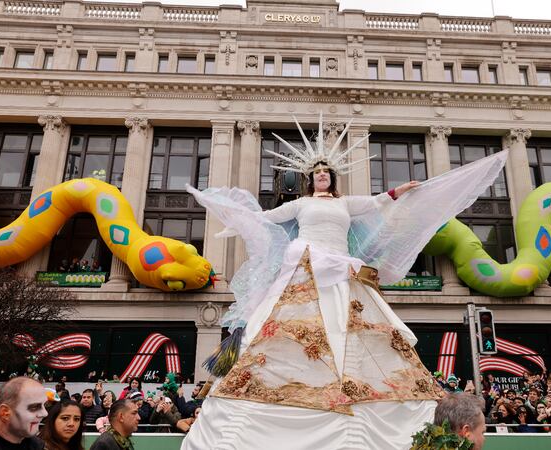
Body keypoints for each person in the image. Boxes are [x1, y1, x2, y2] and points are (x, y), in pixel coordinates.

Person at [182, 116, 507, 450]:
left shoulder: (344, 203)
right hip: (306, 269)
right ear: (311, 180)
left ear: (332, 177)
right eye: (317, 173)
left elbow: (376, 202)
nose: (322, 176)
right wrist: (239, 219)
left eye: (326, 172)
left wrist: (402, 191)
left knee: (350, 328)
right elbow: (268, 218)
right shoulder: (302, 203)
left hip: (342, 272)